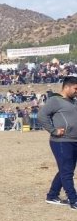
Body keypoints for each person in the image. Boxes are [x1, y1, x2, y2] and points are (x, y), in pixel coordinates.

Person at [37, 76, 77, 209]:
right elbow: (41, 116)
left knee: (66, 169)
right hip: (61, 141)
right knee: (67, 172)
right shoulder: (55, 100)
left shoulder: (73, 101)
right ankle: (74, 200)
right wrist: (53, 131)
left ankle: (52, 195)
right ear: (67, 87)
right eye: (75, 88)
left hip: (74, 140)